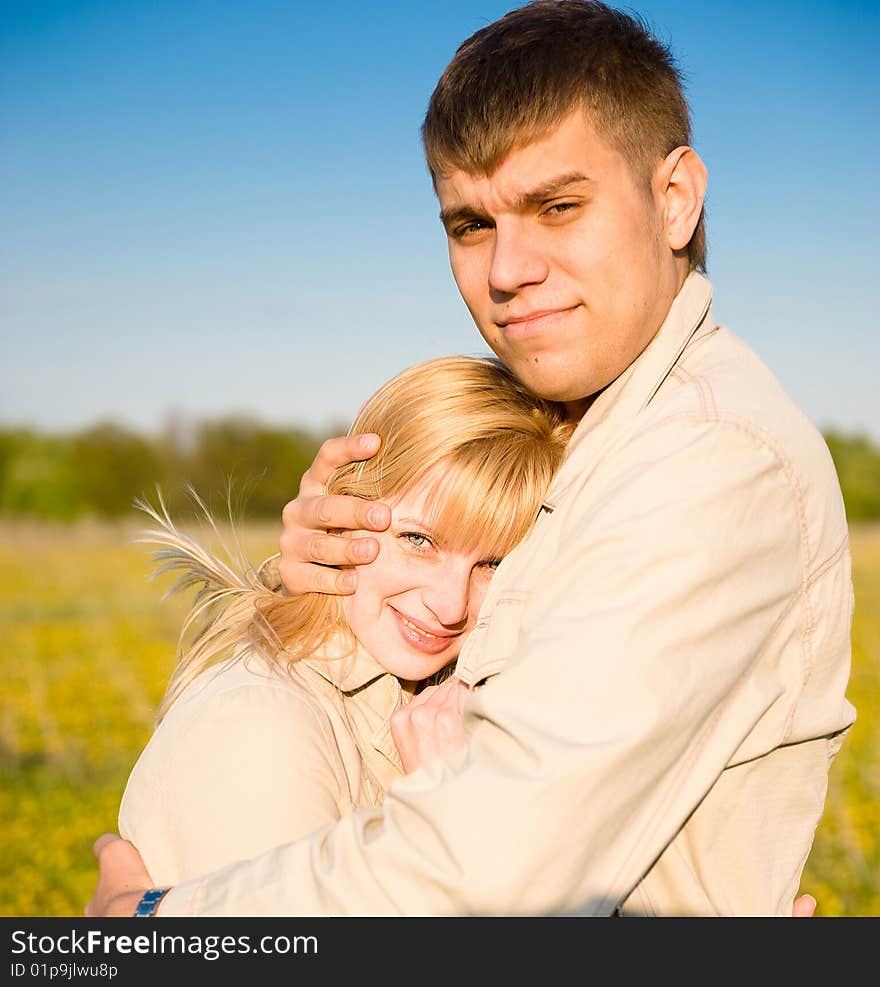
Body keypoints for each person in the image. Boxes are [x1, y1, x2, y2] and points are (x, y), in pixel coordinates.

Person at [87, 0, 854, 917]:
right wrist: (317, 587)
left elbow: (487, 877)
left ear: (675, 198)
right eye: (470, 225)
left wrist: (146, 928)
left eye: (557, 206)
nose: (506, 268)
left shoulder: (705, 461)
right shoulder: (595, 436)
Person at [115, 355, 572, 888]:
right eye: (418, 540)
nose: (450, 607)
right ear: (338, 513)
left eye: (491, 564)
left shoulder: (472, 699)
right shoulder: (262, 728)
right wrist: (448, 813)